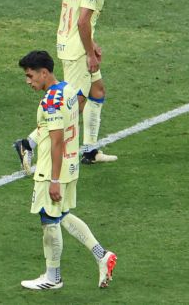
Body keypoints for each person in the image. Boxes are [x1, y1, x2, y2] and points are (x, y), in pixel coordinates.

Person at [14, 0, 117, 167]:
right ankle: (28, 144)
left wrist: (93, 43)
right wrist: (90, 53)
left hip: (68, 42)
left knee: (97, 91)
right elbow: (82, 22)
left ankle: (90, 151)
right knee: (73, 104)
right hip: (77, 50)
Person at [17, 50, 117, 290]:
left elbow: (57, 140)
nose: (28, 81)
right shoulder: (68, 90)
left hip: (53, 170)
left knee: (48, 220)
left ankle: (53, 278)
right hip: (71, 166)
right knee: (61, 215)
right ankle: (102, 255)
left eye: (31, 76)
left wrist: (52, 179)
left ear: (44, 72)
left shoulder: (50, 101)